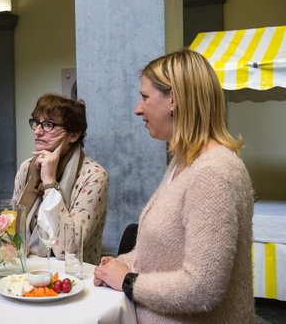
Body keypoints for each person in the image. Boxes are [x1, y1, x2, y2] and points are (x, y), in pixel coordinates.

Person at [93, 49, 255, 323]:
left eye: (145, 97)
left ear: (175, 100)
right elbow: (163, 253)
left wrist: (128, 281)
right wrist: (121, 263)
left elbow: (202, 288)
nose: (137, 108)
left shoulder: (213, 172)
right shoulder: (183, 162)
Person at [12, 93, 108, 265]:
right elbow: (9, 231)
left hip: (74, 278)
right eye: (36, 123)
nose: (38, 131)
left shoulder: (94, 175)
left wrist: (49, 182)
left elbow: (69, 249)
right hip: (27, 271)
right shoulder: (27, 168)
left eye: (49, 125)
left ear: (73, 135)